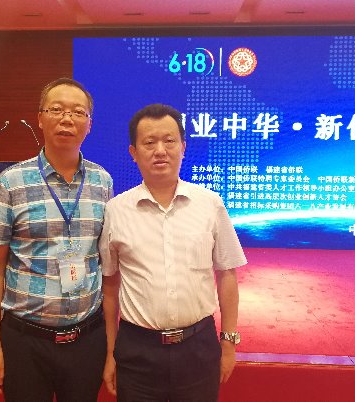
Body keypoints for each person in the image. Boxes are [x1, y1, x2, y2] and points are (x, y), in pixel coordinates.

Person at [99, 103, 247, 401]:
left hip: (198, 347)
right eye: (149, 143)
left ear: (183, 147)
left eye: (169, 141)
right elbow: (110, 286)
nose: (160, 151)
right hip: (137, 352)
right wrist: (110, 351)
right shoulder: (116, 210)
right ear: (133, 152)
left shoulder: (210, 204)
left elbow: (227, 274)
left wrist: (229, 342)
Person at [0, 77, 113, 401]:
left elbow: (107, 266)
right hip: (25, 340)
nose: (67, 119)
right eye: (56, 109)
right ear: (40, 118)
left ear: (89, 124)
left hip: (86, 338)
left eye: (78, 112)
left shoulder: (103, 182)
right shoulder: (10, 182)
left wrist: (111, 348)